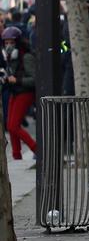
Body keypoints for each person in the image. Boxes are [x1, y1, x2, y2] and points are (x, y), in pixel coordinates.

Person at [2, 27, 36, 160]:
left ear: (18, 42)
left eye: (11, 42)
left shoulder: (26, 57)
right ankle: (16, 155)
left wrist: (17, 80)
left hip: (25, 92)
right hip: (15, 92)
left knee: (13, 125)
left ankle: (37, 149)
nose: (8, 46)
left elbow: (34, 79)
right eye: (6, 43)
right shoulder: (10, 58)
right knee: (10, 126)